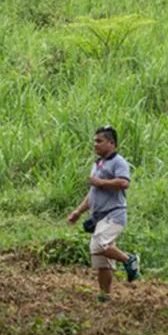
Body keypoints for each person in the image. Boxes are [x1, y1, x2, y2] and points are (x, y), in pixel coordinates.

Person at [66, 125, 140, 301]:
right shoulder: (98, 164)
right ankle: (105, 295)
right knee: (100, 259)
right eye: (94, 141)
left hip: (114, 214)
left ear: (111, 143)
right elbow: (93, 193)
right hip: (98, 217)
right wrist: (78, 211)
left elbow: (124, 183)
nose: (95, 145)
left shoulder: (118, 162)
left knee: (100, 245)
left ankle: (129, 259)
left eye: (99, 141)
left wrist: (100, 182)